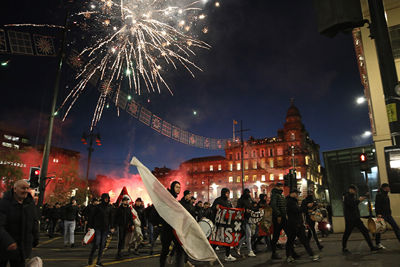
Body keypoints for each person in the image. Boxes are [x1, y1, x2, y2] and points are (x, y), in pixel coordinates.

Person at [0, 180, 39, 267]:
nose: (25, 190)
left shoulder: (30, 204)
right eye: (23, 188)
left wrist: (35, 238)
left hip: (21, 248)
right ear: (14, 189)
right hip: (4, 246)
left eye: (27, 188)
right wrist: (9, 242)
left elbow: (34, 222)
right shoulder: (4, 203)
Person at [342, 185, 378, 253]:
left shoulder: (351, 196)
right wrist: (359, 200)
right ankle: (344, 248)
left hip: (355, 218)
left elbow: (354, 203)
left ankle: (372, 247)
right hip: (350, 219)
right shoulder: (347, 196)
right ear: (351, 190)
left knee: (364, 231)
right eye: (355, 190)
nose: (355, 192)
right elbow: (352, 205)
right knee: (347, 233)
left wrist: (364, 197)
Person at [286, 189, 319, 263]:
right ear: (292, 193)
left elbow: (298, 210)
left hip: (298, 224)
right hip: (293, 224)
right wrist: (305, 206)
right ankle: (289, 256)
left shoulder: (293, 201)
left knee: (303, 240)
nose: (298, 195)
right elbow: (297, 210)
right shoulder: (290, 202)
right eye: (297, 193)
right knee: (291, 241)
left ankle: (311, 254)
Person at [160, 181, 184, 267]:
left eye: (179, 187)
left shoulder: (175, 199)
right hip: (167, 228)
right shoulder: (168, 198)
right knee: (165, 250)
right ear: (172, 187)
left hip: (174, 228)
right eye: (177, 187)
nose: (179, 189)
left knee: (180, 248)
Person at [88, 193, 115, 267]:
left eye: (107, 198)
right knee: (96, 243)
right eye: (105, 198)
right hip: (98, 228)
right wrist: (90, 226)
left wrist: (112, 227)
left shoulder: (110, 207)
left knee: (102, 245)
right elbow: (92, 217)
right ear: (103, 198)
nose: (106, 199)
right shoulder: (97, 207)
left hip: (105, 229)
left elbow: (111, 218)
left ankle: (98, 261)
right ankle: (91, 256)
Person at [211, 188, 236, 262]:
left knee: (227, 239)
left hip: (227, 224)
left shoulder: (228, 201)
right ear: (223, 193)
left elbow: (231, 209)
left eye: (229, 193)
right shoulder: (218, 200)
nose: (228, 195)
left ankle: (227, 255)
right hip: (219, 224)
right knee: (217, 240)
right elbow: (212, 208)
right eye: (227, 193)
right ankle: (211, 253)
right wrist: (216, 207)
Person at [375, 183, 400, 248]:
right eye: (388, 187)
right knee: (379, 229)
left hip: (388, 215)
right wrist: (378, 214)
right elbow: (377, 205)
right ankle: (378, 243)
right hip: (382, 215)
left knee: (396, 227)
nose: (389, 188)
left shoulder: (386, 195)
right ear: (384, 188)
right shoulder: (379, 195)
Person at [270, 182, 288, 259]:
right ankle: (273, 253)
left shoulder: (280, 195)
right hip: (278, 218)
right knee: (276, 235)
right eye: (281, 186)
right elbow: (273, 205)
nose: (282, 188)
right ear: (278, 187)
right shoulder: (275, 195)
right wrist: (278, 215)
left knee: (289, 233)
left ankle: (290, 252)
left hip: (283, 217)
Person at [237, 188, 256, 257]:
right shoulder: (241, 200)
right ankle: (250, 251)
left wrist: (253, 208)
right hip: (244, 219)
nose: (249, 194)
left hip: (249, 218)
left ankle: (238, 245)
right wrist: (244, 210)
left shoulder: (249, 199)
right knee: (248, 234)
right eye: (248, 193)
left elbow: (252, 207)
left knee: (248, 235)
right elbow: (238, 208)